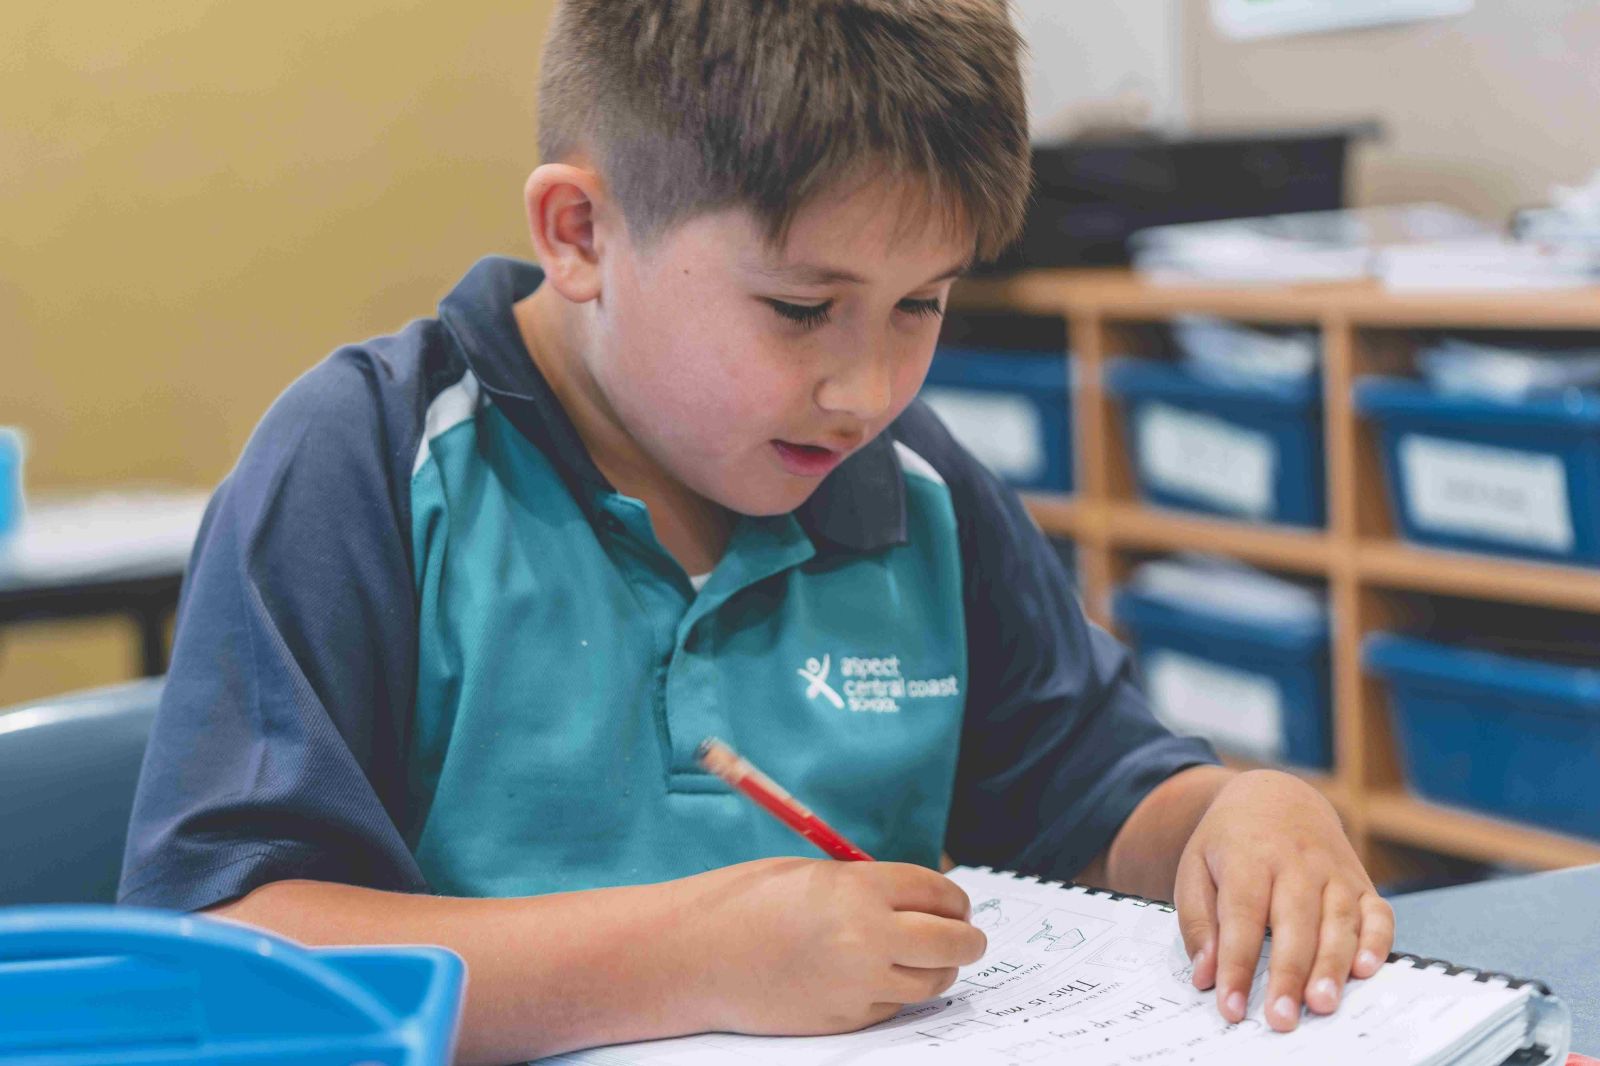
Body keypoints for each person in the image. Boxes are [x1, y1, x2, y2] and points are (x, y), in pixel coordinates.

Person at [120, 2, 1392, 1062]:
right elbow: (231, 954)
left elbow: (1097, 794)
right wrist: (689, 961)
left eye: (921, 305)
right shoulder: (370, 461)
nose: (868, 389)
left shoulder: (914, 486)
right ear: (580, 234)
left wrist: (1235, 810)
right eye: (799, 309)